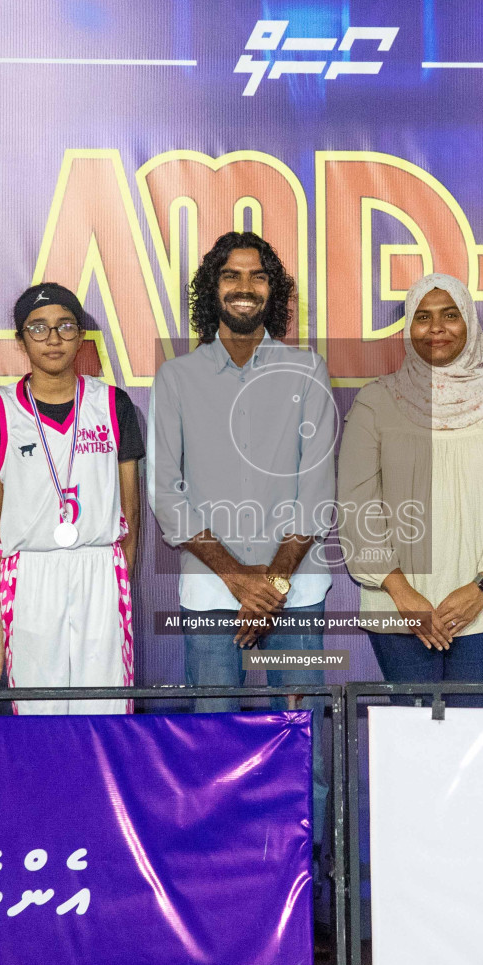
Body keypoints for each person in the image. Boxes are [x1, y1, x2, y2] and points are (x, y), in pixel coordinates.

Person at [148, 229, 335, 839]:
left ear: (272, 290)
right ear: (213, 288)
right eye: (232, 276)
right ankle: (223, 884)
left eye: (258, 277)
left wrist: (273, 582)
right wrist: (239, 578)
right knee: (213, 738)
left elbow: (317, 489)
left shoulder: (307, 370)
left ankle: (307, 895)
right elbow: (165, 493)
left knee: (301, 736)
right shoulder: (176, 378)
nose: (245, 287)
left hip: (298, 594)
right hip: (210, 596)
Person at [337, 273, 483, 703]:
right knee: (413, 744)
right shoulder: (376, 402)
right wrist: (399, 589)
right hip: (398, 607)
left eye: (450, 315)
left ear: (469, 323)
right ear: (407, 329)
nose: (436, 328)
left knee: (474, 740)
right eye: (423, 317)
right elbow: (357, 503)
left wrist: (482, 586)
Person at [0, 284, 143, 715]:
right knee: (36, 712)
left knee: (105, 712)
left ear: (80, 335)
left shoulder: (111, 404)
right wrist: (0, 612)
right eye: (38, 328)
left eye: (65, 326)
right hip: (29, 572)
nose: (53, 339)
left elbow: (130, 510)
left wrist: (116, 579)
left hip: (99, 564)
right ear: (21, 339)